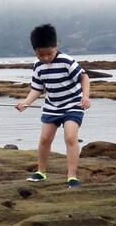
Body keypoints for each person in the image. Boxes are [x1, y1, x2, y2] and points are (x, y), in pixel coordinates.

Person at [15, 23, 91, 187]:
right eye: (41, 55)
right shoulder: (37, 66)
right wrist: (26, 103)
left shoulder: (66, 61)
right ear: (34, 50)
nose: (46, 58)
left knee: (70, 138)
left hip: (73, 105)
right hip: (52, 106)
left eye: (49, 54)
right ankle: (41, 172)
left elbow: (84, 77)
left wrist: (86, 96)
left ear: (56, 46)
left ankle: (72, 176)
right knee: (44, 139)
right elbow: (37, 88)